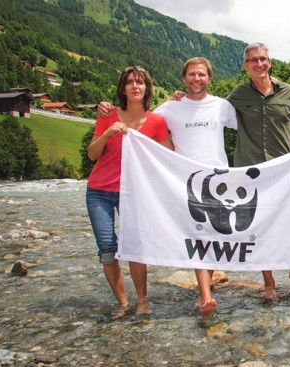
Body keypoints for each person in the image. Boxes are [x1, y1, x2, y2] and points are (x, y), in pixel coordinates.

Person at [98, 57, 237, 316]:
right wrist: (105, 109)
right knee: (197, 235)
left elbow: (249, 126)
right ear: (184, 78)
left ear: (209, 78)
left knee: (211, 236)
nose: (197, 79)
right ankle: (204, 294)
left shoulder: (222, 106)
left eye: (201, 75)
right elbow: (140, 119)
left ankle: (205, 289)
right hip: (183, 181)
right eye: (192, 75)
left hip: (218, 180)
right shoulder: (169, 108)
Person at [227, 42, 290, 300]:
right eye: (253, 60)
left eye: (263, 58)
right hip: (250, 173)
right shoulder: (237, 95)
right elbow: (210, 110)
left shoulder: (287, 92)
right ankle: (269, 283)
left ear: (269, 61)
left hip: (284, 172)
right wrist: (182, 97)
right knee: (259, 228)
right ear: (246, 65)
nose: (259, 63)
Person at [86, 66, 173, 319]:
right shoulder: (108, 115)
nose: (135, 86)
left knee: (135, 246)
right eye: (130, 82)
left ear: (147, 89)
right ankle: (123, 303)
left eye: (140, 83)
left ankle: (143, 301)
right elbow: (92, 154)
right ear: (123, 88)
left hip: (134, 194)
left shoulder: (156, 121)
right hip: (98, 191)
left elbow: (168, 156)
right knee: (107, 249)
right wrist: (109, 131)